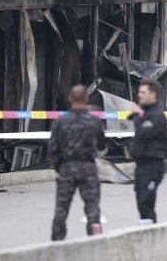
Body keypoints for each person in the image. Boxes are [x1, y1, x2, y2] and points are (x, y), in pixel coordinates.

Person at [48, 85, 105, 241]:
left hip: (67, 167)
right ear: (86, 99)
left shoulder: (61, 121)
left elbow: (53, 148)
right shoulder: (94, 120)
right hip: (88, 167)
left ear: (70, 99)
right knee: (92, 206)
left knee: (61, 208)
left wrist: (60, 166)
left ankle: (57, 242)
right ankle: (95, 240)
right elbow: (101, 143)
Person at [128, 78, 167, 224]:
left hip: (153, 165)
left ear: (153, 94)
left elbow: (144, 133)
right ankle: (146, 228)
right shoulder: (146, 113)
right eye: (139, 92)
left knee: (146, 200)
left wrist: (137, 115)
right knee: (140, 200)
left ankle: (149, 231)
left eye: (143, 92)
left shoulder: (157, 115)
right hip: (141, 164)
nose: (139, 95)